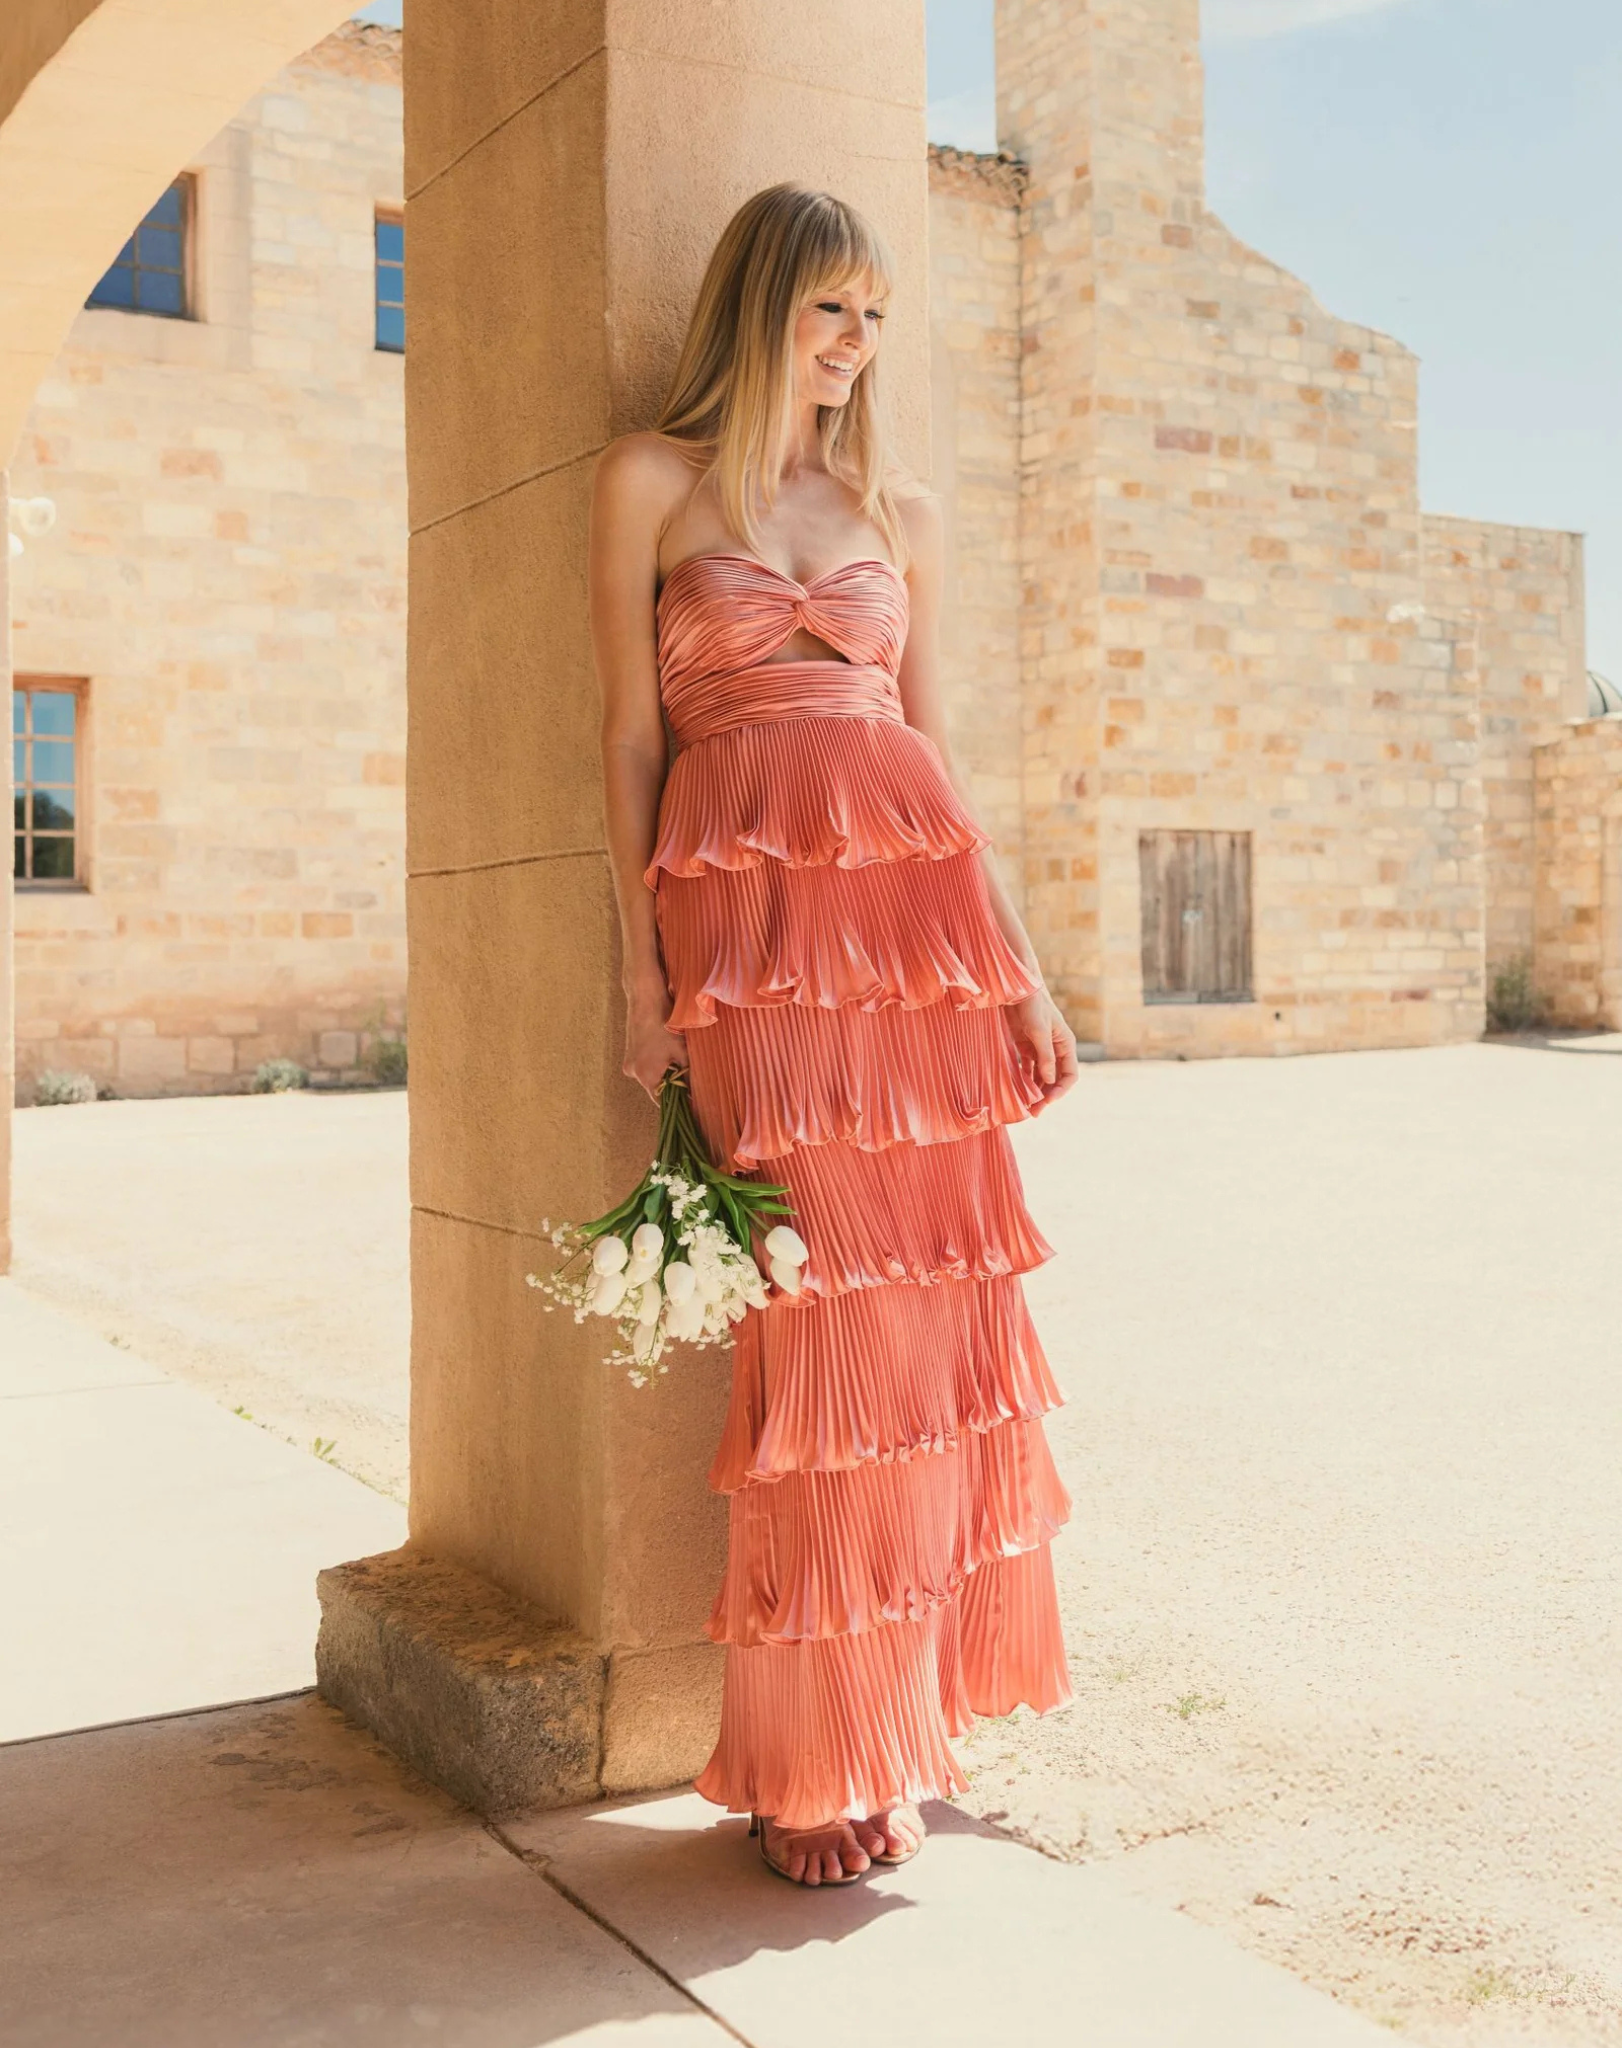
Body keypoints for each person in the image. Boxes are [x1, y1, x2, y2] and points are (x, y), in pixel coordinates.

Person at [588, 183, 1078, 1888]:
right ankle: (814, 1756)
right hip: (755, 952)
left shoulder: (900, 514)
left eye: (873, 315)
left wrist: (1019, 972)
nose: (856, 344)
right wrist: (645, 981)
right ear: (758, 310)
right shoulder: (651, 484)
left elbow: (934, 759)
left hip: (913, 951)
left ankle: (895, 1730)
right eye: (828, 310)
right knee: (817, 1345)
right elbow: (629, 744)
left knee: (926, 1338)